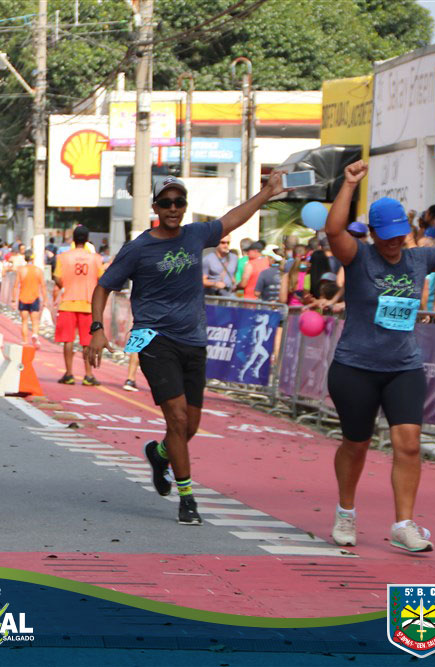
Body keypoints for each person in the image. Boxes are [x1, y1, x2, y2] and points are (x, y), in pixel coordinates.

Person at [87, 173, 289, 526]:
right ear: (155, 207)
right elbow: (103, 286)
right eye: (166, 203)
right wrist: (97, 329)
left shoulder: (196, 235)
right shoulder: (138, 248)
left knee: (190, 425)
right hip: (153, 339)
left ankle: (159, 453)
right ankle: (187, 498)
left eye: (178, 202)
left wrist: (266, 193)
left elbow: (233, 218)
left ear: (184, 206)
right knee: (177, 419)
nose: (173, 208)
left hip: (193, 340)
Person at [325, 161, 435, 553]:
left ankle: (404, 524)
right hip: (355, 367)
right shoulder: (358, 257)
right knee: (356, 444)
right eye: (385, 236)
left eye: (399, 234)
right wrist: (348, 184)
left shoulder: (418, 260)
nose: (393, 242)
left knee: (408, 444)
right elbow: (334, 230)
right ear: (373, 233)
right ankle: (345, 512)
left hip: (403, 367)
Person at [54, 225, 104, 386]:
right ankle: (88, 375)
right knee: (87, 342)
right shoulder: (96, 258)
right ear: (87, 239)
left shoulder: (63, 257)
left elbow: (57, 278)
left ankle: (69, 374)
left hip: (67, 303)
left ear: (74, 239)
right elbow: (101, 279)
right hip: (88, 305)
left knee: (68, 340)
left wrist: (65, 285)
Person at [13, 249, 45, 346]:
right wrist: (45, 299)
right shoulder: (38, 270)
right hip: (34, 298)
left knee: (24, 321)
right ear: (33, 259)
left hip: (23, 298)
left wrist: (14, 299)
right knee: (35, 321)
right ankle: (35, 335)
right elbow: (43, 286)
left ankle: (25, 340)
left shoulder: (21, 270)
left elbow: (16, 285)